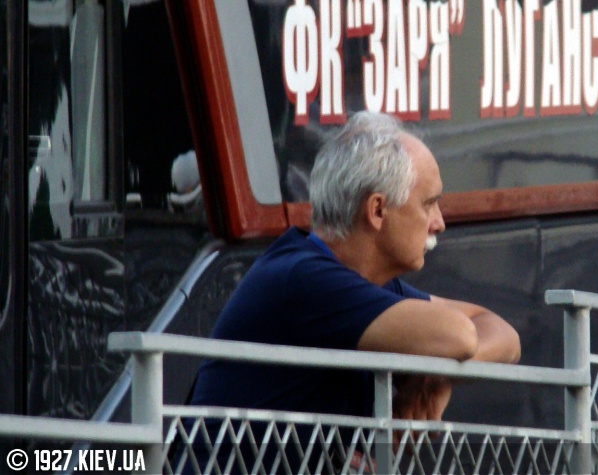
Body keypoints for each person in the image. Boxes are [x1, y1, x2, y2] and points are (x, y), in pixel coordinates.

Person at [184, 111, 520, 468]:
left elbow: (504, 334)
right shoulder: (306, 280)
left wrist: (435, 376)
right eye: (428, 204)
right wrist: (436, 367)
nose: (439, 223)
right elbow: (461, 335)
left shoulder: (355, 282)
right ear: (377, 210)